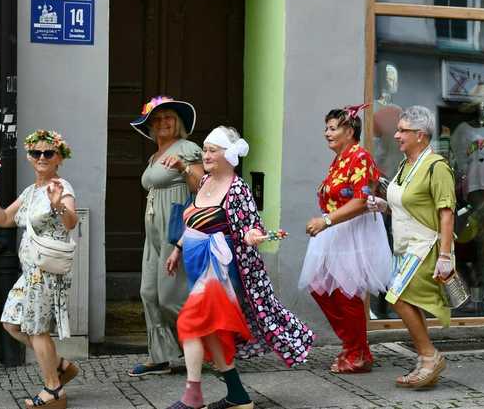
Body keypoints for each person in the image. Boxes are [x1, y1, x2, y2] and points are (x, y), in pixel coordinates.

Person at [165, 126, 315, 409]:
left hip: (220, 269)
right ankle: (238, 395)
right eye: (205, 149)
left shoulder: (237, 188)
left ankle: (192, 395)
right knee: (211, 332)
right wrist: (177, 249)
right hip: (197, 265)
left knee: (190, 322)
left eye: (212, 150)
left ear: (228, 155)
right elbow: (194, 221)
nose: (205, 155)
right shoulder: (206, 180)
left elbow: (252, 225)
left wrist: (251, 234)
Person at [0, 130, 79, 409]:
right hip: (30, 272)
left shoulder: (62, 186)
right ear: (29, 157)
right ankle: (60, 366)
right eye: (36, 153)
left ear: (59, 158)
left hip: (46, 271)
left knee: (36, 329)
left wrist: (58, 205)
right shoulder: (30, 191)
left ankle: (53, 391)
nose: (42, 157)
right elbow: (2, 220)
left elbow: (71, 222)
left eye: (48, 153)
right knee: (11, 322)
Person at [299, 105, 393, 374]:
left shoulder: (359, 156)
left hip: (351, 230)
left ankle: (356, 352)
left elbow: (361, 200)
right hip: (334, 230)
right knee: (320, 287)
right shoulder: (340, 159)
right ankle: (356, 346)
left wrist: (325, 221)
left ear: (349, 131)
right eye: (326, 128)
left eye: (332, 128)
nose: (326, 133)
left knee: (347, 294)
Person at [370, 105, 455, 388]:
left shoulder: (437, 167)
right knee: (403, 298)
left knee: (398, 297)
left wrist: (445, 256)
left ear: (420, 135)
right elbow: (408, 205)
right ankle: (425, 357)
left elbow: (446, 213)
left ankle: (429, 356)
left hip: (426, 247)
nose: (396, 135)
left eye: (402, 130)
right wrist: (384, 205)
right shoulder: (405, 165)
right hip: (406, 247)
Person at [128, 96, 205, 377]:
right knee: (148, 293)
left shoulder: (188, 148)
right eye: (157, 119)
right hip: (153, 233)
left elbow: (202, 187)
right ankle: (159, 357)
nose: (163, 123)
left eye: (169, 117)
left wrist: (184, 168)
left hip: (175, 231)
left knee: (171, 297)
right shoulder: (154, 156)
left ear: (179, 123)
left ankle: (209, 344)